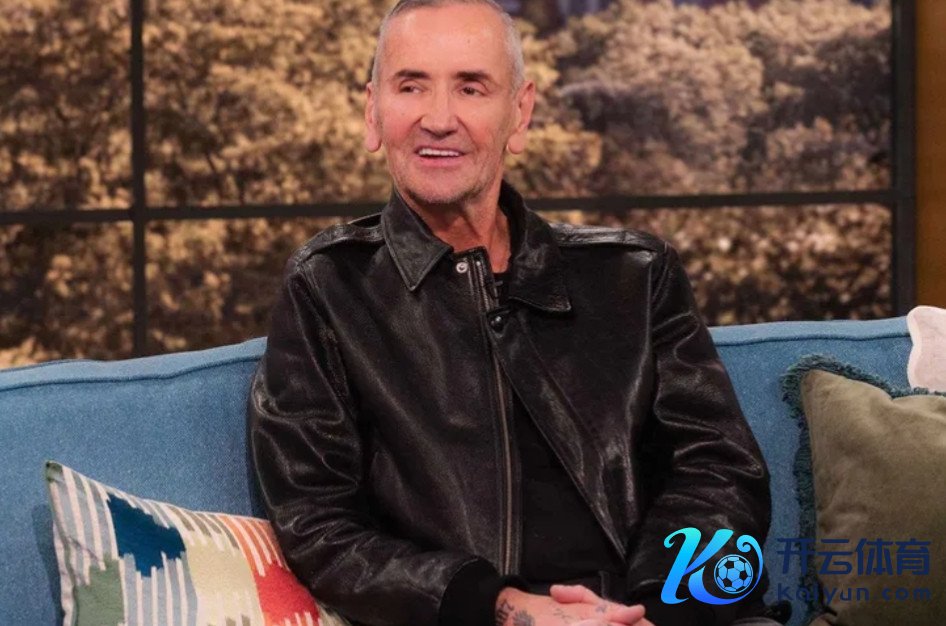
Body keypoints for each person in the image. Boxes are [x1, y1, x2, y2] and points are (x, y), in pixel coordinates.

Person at [246, 1, 779, 625]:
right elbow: (318, 524)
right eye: (411, 86)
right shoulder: (328, 286)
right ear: (373, 111)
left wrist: (652, 609)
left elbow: (720, 473)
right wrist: (503, 609)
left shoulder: (634, 274)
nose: (437, 119)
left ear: (519, 114)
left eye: (471, 87)